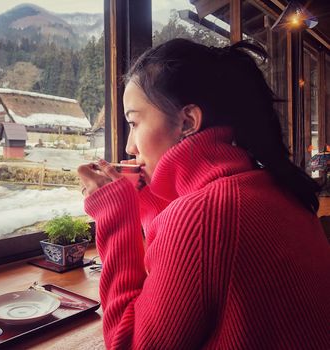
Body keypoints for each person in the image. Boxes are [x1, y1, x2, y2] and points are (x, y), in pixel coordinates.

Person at [77, 38, 330, 349]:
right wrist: (146, 199)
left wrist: (114, 216)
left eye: (134, 122)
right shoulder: (272, 187)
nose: (130, 147)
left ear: (187, 121)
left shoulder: (200, 216)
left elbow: (128, 343)